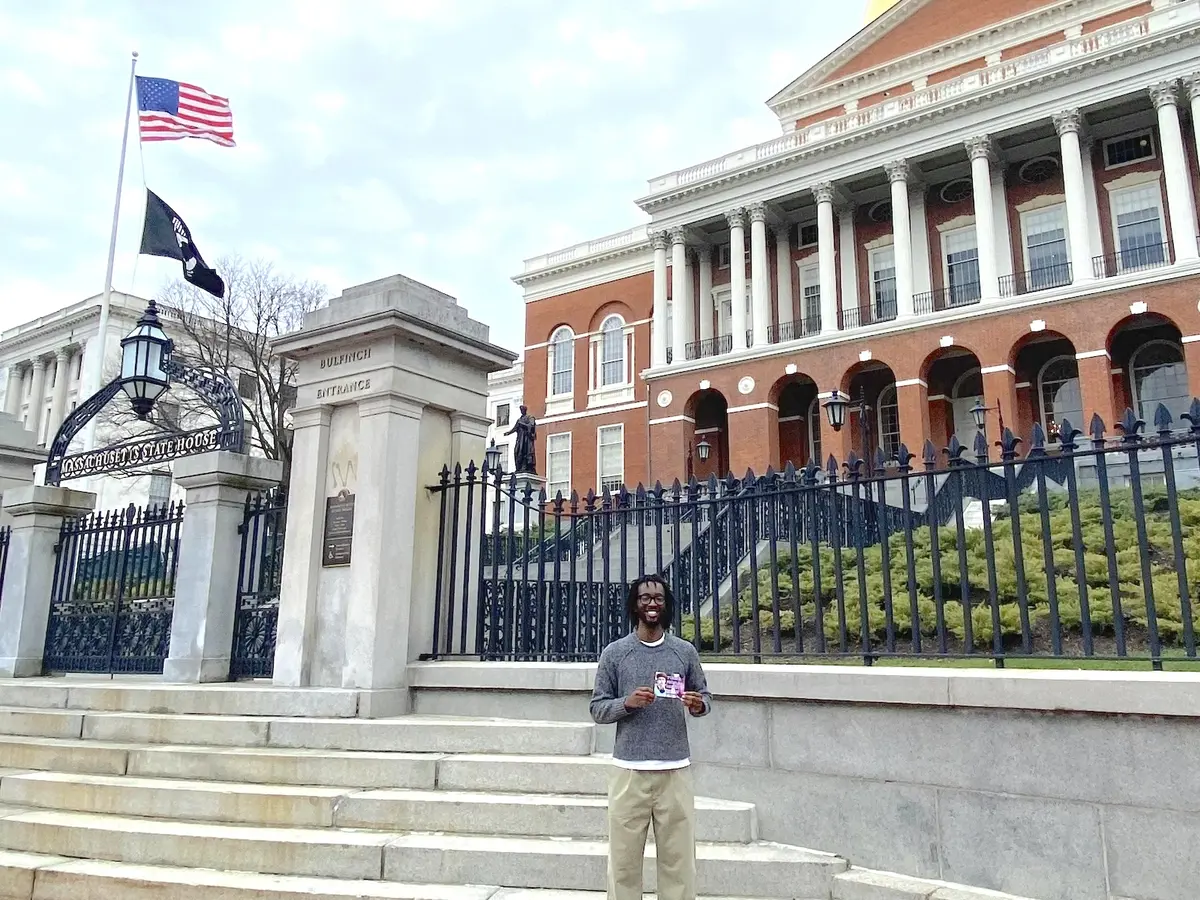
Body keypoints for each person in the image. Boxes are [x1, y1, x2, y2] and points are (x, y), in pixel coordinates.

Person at [589, 574, 712, 900]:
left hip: (675, 771)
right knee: (624, 863)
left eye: (658, 598)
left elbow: (704, 697)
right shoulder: (615, 653)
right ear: (635, 605)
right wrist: (627, 703)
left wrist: (697, 704)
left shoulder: (684, 652)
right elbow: (598, 708)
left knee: (679, 862)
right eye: (645, 598)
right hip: (629, 772)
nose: (652, 603)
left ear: (666, 604)